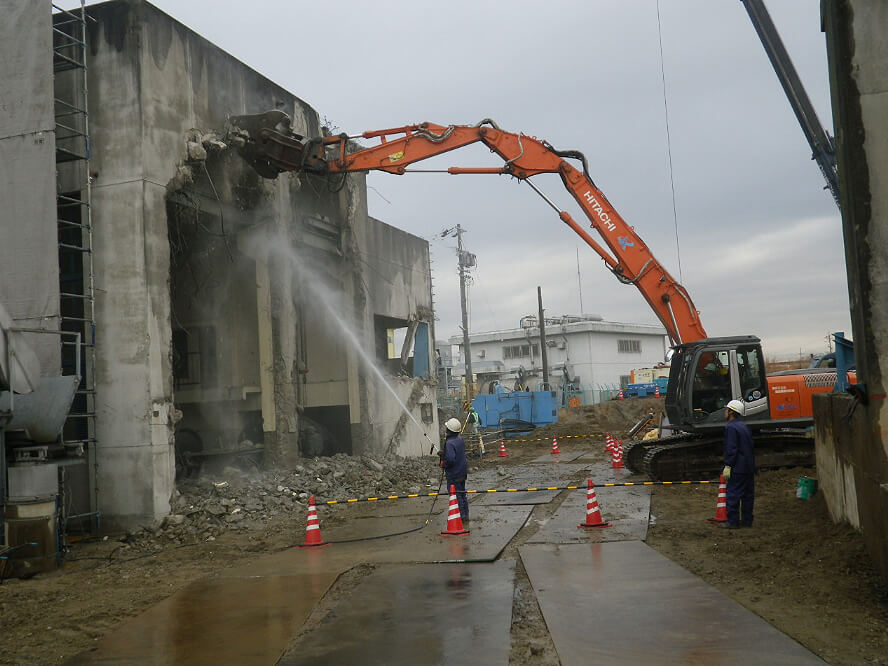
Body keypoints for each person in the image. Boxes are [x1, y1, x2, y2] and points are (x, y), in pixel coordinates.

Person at [722, 399, 755, 528]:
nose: (725, 412)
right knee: (748, 496)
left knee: (733, 494)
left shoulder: (730, 427)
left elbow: (732, 449)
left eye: (726, 410)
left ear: (731, 412)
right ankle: (747, 521)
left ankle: (733, 522)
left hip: (738, 468)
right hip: (748, 467)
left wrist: (728, 465)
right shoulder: (743, 426)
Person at [440, 417, 469, 524]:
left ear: (450, 430)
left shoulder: (449, 443)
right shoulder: (459, 439)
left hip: (454, 474)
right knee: (462, 494)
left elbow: (451, 459)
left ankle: (460, 517)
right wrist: (445, 454)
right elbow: (456, 454)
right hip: (462, 472)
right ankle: (465, 515)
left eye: (447, 428)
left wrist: (444, 463)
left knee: (456, 496)